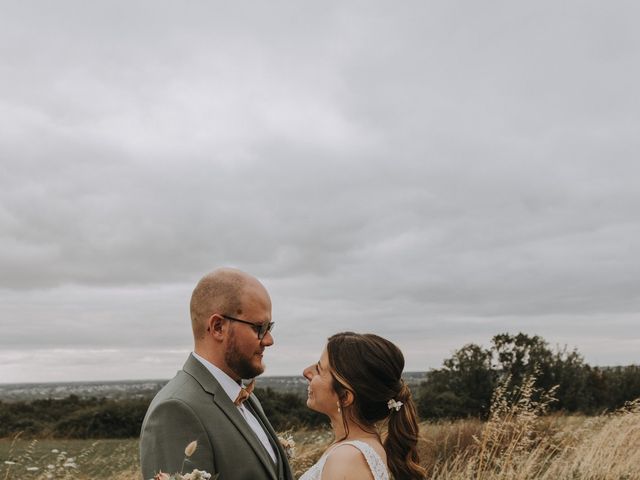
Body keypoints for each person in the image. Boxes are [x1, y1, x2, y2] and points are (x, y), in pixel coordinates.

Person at [140, 268, 294, 480]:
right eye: (260, 327)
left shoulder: (247, 399)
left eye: (270, 327)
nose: (269, 340)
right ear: (218, 327)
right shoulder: (176, 410)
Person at [300, 332, 426, 480]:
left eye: (319, 370)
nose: (306, 372)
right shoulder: (358, 445)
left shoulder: (346, 458)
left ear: (345, 397)